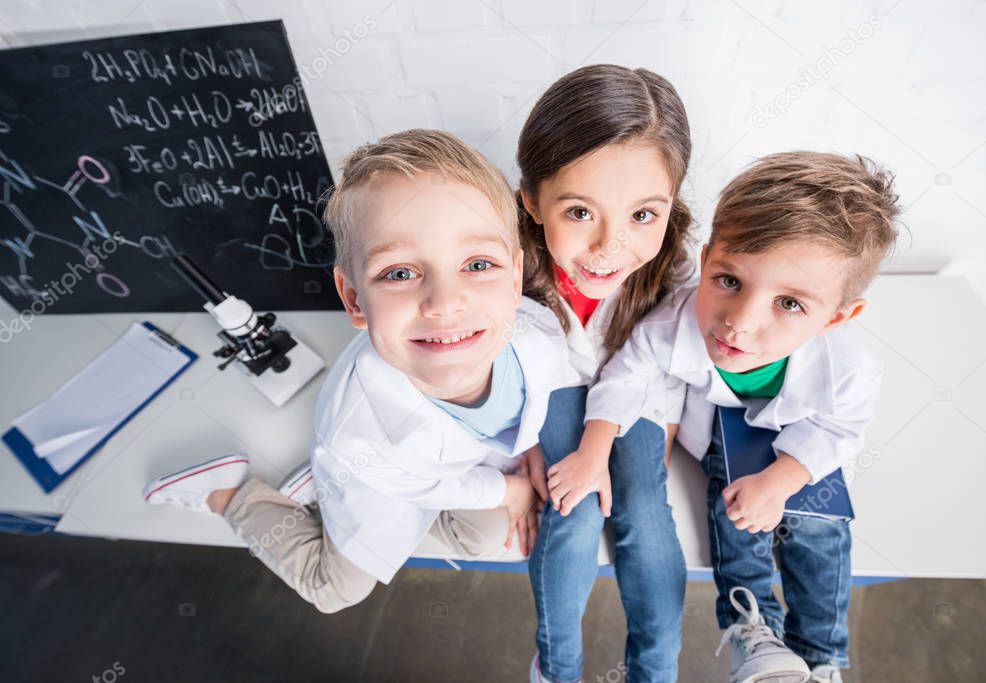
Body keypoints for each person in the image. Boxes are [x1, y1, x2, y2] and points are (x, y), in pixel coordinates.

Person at [142, 129, 578, 613]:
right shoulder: (363, 435)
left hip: (453, 463)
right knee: (336, 591)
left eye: (478, 263)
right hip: (386, 471)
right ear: (353, 299)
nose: (445, 303)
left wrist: (534, 443)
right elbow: (429, 483)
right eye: (399, 273)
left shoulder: (541, 339)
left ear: (516, 278)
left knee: (482, 539)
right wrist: (512, 488)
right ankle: (229, 495)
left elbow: (541, 394)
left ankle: (318, 485)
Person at [575, 152, 901, 683]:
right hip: (723, 442)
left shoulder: (849, 366)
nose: (739, 323)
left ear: (838, 318)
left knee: (819, 531)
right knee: (734, 513)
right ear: (706, 261)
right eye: (728, 280)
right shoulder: (674, 324)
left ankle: (822, 658)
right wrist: (596, 443)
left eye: (790, 304)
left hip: (799, 446)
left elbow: (840, 428)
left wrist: (784, 478)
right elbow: (624, 376)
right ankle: (759, 634)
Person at [515, 64, 697, 683]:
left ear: (671, 204)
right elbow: (504, 361)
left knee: (645, 513)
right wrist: (523, 444)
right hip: (556, 389)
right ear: (532, 201)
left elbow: (663, 361)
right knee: (574, 510)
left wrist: (660, 430)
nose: (609, 247)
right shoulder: (505, 267)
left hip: (638, 393)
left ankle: (655, 668)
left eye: (644, 215)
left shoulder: (675, 270)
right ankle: (557, 667)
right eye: (579, 211)